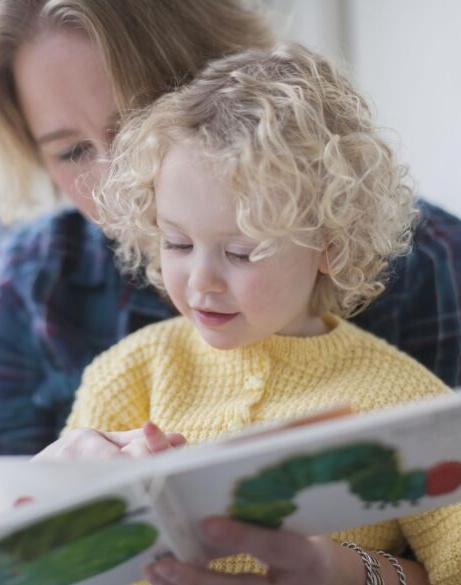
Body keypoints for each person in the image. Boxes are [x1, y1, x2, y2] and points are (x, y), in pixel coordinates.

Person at [0, 0, 461, 534]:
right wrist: (35, 503)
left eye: (139, 124)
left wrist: (352, 573)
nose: (117, 175)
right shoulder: (38, 278)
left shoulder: (431, 261)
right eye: (73, 151)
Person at [38, 45, 461, 585]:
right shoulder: (129, 375)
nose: (201, 281)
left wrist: (346, 573)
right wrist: (47, 503)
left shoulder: (403, 405)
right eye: (176, 242)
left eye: (242, 252)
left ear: (330, 245)